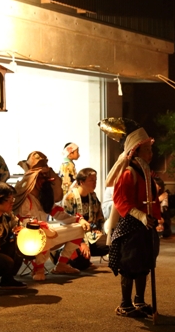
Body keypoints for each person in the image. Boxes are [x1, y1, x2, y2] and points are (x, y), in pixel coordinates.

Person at [106, 124, 162, 318]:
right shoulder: (129, 174)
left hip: (146, 226)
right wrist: (141, 216)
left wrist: (155, 218)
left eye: (150, 149)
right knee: (130, 266)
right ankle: (125, 303)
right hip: (131, 227)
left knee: (144, 265)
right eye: (146, 150)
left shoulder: (146, 173)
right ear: (135, 152)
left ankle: (139, 300)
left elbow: (152, 200)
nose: (150, 154)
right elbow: (121, 200)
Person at [13, 151, 90, 281]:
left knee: (78, 228)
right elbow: (23, 221)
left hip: (47, 233)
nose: (44, 181)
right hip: (28, 237)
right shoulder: (26, 198)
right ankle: (38, 268)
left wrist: (79, 219)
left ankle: (61, 264)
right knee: (41, 232)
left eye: (45, 176)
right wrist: (39, 226)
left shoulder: (45, 197)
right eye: (41, 177)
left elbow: (59, 214)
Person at [62, 167, 109, 270]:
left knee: (111, 243)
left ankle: (87, 256)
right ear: (81, 182)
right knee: (81, 263)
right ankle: (60, 256)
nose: (95, 183)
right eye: (91, 180)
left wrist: (99, 231)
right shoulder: (70, 198)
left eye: (95, 180)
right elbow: (68, 223)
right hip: (73, 236)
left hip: (90, 234)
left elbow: (99, 217)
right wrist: (81, 242)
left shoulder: (92, 196)